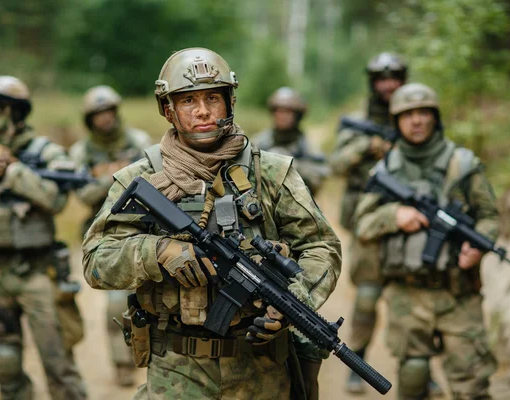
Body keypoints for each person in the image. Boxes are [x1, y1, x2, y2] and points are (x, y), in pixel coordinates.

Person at [82, 47, 341, 399]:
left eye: (212, 98)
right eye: (188, 101)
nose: (202, 111)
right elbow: (96, 259)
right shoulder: (143, 178)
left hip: (261, 367)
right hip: (176, 367)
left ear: (229, 102)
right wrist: (158, 251)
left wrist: (294, 299)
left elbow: (321, 246)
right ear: (168, 110)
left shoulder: (272, 173)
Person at [355, 83, 498, 399]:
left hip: (458, 292)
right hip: (407, 293)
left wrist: (480, 246)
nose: (416, 121)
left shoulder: (462, 164)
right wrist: (394, 215)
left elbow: (489, 216)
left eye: (423, 113)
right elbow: (362, 224)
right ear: (396, 121)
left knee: (471, 383)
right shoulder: (385, 169)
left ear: (435, 117)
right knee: (413, 375)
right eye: (407, 114)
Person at [0, 76, 87, 400]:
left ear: (14, 112)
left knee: (58, 364)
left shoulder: (45, 152)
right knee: (5, 364)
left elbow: (56, 200)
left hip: (39, 274)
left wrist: (12, 171)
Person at [330, 52, 412, 393]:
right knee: (366, 298)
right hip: (369, 221)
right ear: (372, 82)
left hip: (412, 220)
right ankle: (358, 360)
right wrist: (369, 147)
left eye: (394, 77)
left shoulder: (417, 114)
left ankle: (417, 365)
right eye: (382, 77)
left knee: (412, 301)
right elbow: (337, 164)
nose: (388, 84)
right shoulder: (358, 121)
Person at [70, 84, 151, 386]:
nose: (104, 119)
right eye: (97, 115)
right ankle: (122, 362)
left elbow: (156, 179)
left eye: (108, 112)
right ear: (89, 120)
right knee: (118, 301)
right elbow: (84, 193)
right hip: (107, 234)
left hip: (142, 227)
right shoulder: (81, 152)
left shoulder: (139, 140)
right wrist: (116, 177)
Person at [253, 87, 329, 195]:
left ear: (297, 115)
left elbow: (320, 174)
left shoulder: (306, 144)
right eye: (279, 111)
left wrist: (292, 166)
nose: (282, 116)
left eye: (287, 112)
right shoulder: (260, 141)